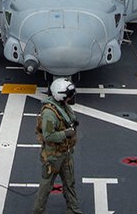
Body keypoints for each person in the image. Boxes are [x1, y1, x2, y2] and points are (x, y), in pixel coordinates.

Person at [33, 78, 83, 214]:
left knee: (70, 183)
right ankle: (38, 211)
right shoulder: (49, 114)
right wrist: (66, 133)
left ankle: (73, 209)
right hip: (53, 156)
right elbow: (48, 135)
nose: (71, 97)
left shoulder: (63, 106)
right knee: (46, 185)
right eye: (69, 95)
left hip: (66, 152)